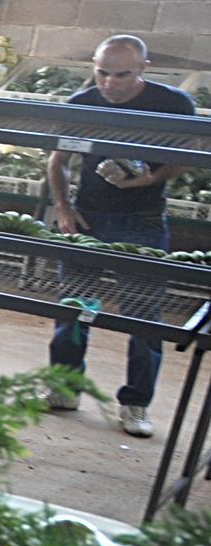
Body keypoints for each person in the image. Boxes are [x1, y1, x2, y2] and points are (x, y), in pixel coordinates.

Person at [43, 35, 200, 438]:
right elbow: (58, 160)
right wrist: (63, 208)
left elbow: (189, 155)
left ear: (144, 69)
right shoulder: (82, 104)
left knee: (144, 317)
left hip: (143, 221)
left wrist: (150, 178)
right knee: (76, 305)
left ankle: (135, 404)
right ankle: (65, 387)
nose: (109, 83)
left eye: (122, 75)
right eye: (102, 73)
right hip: (87, 219)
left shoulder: (173, 105)